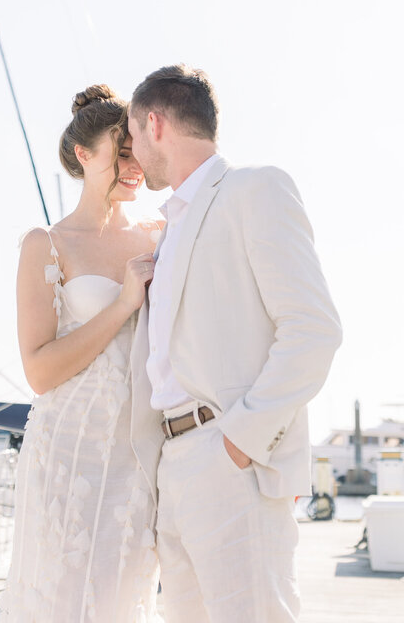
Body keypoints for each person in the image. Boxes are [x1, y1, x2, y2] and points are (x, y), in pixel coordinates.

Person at [126, 64, 343, 622]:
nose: (131, 149)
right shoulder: (168, 226)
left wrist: (241, 441)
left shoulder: (256, 188)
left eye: (131, 133)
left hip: (228, 458)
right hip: (171, 465)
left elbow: (313, 329)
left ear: (154, 124)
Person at [0, 84, 161, 623]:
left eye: (137, 149)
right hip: (68, 450)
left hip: (138, 451)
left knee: (123, 599)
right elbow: (40, 372)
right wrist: (122, 305)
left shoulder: (160, 236)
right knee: (63, 600)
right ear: (82, 155)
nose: (135, 164)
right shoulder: (45, 244)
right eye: (121, 152)